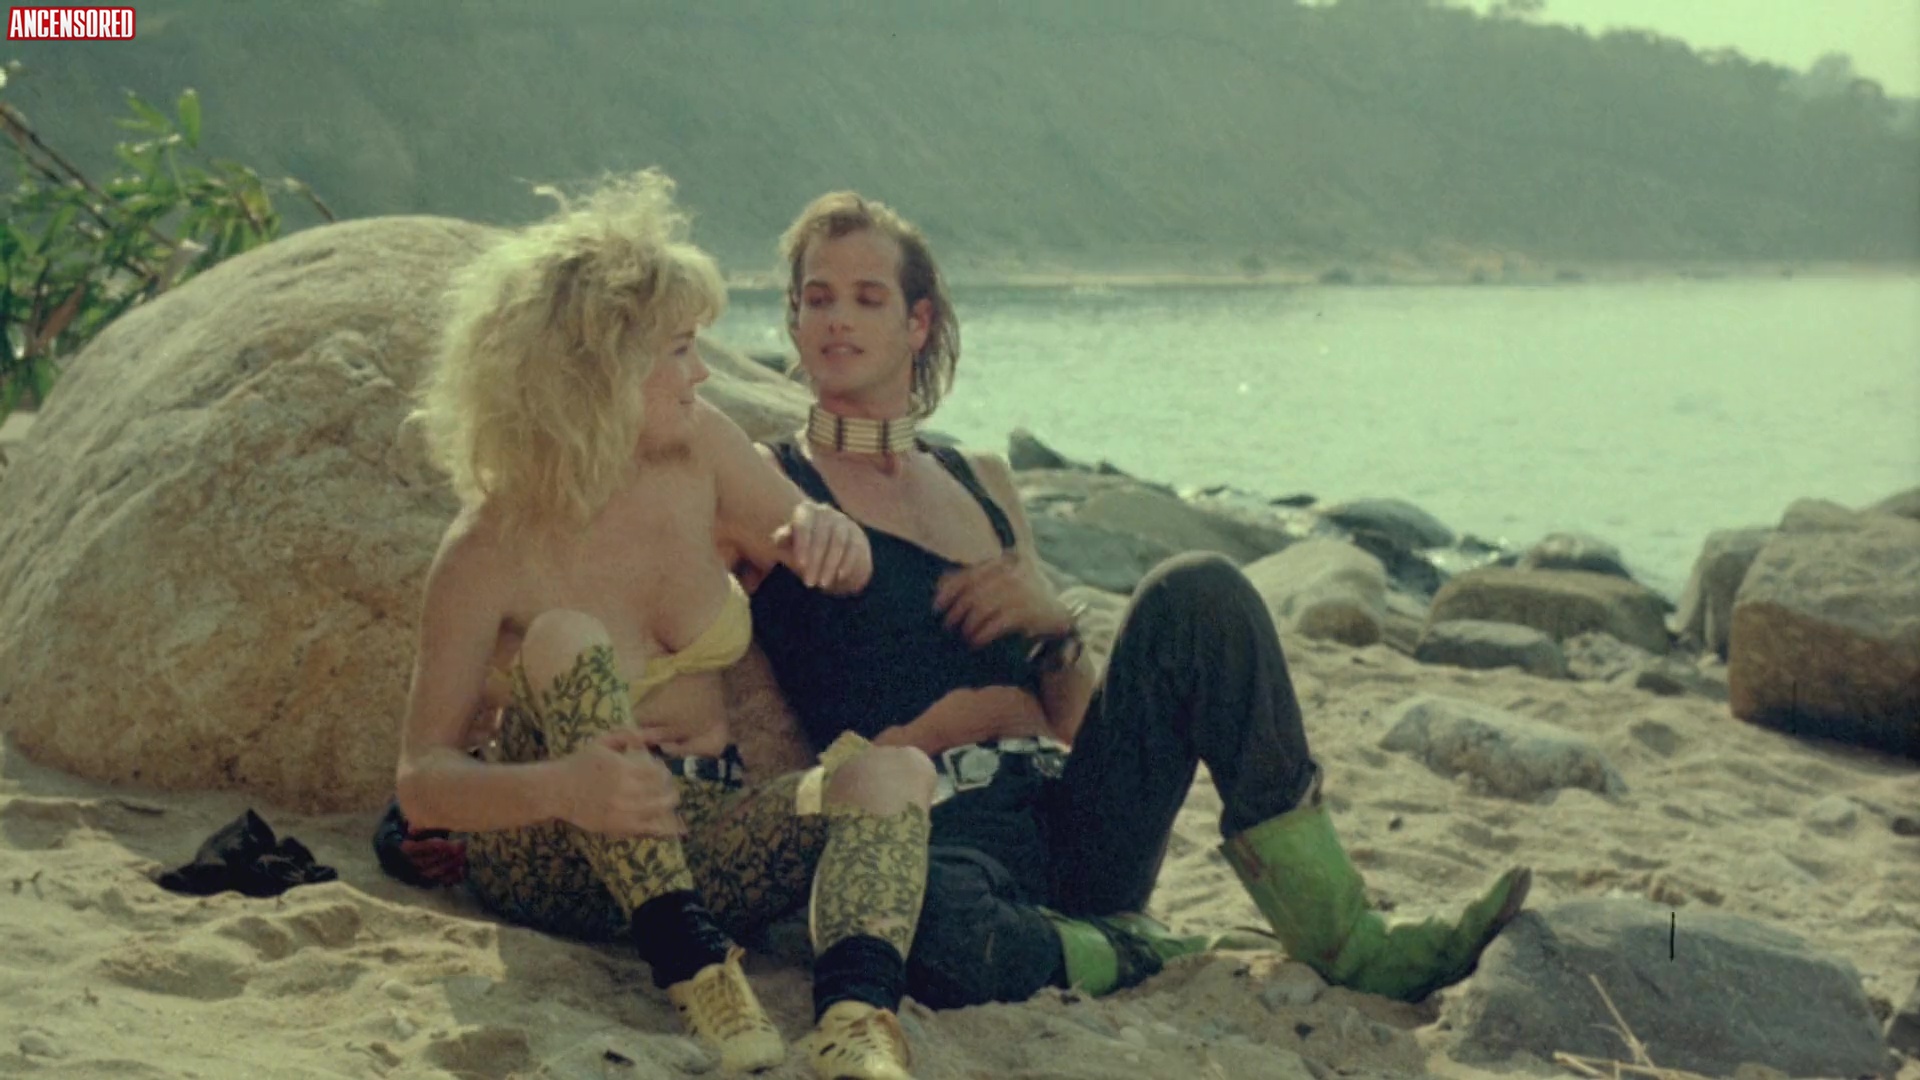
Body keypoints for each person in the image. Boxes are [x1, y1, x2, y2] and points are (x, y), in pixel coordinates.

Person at [742, 191, 1534, 1010]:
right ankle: (1150, 949)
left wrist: (1055, 627)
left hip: (1073, 814)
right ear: (793, 323)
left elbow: (1076, 722)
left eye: (867, 298)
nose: (838, 319)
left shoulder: (982, 481)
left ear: (917, 324)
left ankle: (1346, 937)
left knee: (1201, 588)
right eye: (817, 299)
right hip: (935, 839)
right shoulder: (770, 487)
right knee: (929, 929)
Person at [394, 169, 929, 1080]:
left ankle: (855, 1021)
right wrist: (564, 787)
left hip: (702, 826)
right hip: (553, 852)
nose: (701, 371)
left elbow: (809, 537)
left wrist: (832, 534)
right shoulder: (486, 545)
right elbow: (422, 782)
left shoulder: (700, 446)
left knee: (892, 774)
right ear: (597, 369)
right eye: (679, 349)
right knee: (565, 637)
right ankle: (697, 973)